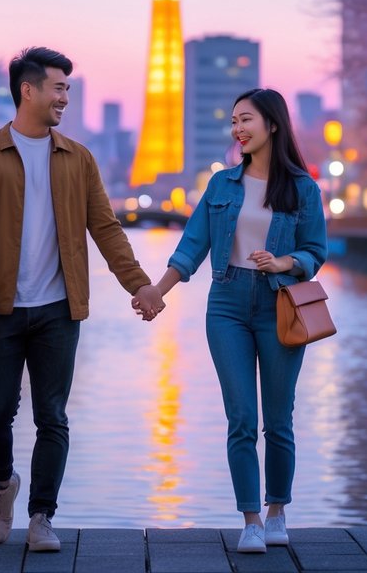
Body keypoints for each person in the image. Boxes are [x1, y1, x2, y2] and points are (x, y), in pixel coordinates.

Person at [0, 46, 164, 552]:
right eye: (58, 87)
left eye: (68, 88)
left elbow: (106, 228)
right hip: (1, 311)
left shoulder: (78, 159)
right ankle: (2, 487)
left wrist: (139, 284)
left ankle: (42, 516)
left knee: (53, 416)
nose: (65, 97)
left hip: (58, 310)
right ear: (28, 91)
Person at [145, 88, 327, 554]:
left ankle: (277, 511)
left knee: (278, 419)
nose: (237, 130)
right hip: (226, 305)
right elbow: (192, 246)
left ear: (272, 124)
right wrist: (156, 292)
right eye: (233, 122)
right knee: (242, 417)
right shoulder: (222, 185)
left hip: (279, 305)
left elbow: (316, 251)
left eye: (246, 120)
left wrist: (285, 262)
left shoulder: (303, 188)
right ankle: (249, 520)